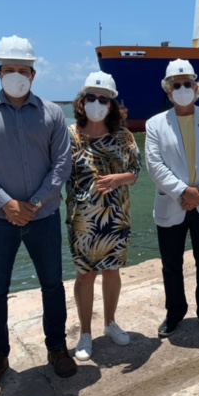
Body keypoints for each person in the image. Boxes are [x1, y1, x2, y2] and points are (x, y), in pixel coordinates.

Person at [0, 35, 76, 396]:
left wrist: (35, 203)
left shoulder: (52, 113)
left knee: (52, 286)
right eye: (9, 69)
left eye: (22, 70)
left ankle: (57, 347)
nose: (16, 75)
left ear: (33, 74)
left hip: (43, 218)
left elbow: (61, 164)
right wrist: (6, 204)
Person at [145, 59, 199, 337]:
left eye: (187, 84)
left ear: (196, 87)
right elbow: (154, 165)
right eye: (176, 85)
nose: (182, 88)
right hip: (173, 203)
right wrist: (184, 191)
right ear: (168, 91)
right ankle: (175, 312)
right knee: (171, 265)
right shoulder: (155, 124)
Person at [66, 71, 141, 361]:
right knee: (85, 276)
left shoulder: (123, 136)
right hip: (83, 221)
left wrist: (119, 178)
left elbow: (136, 172)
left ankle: (110, 323)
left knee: (112, 272)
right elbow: (57, 174)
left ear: (112, 105)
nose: (97, 103)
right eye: (91, 97)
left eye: (104, 99)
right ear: (82, 101)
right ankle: (85, 333)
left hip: (117, 217)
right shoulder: (70, 135)